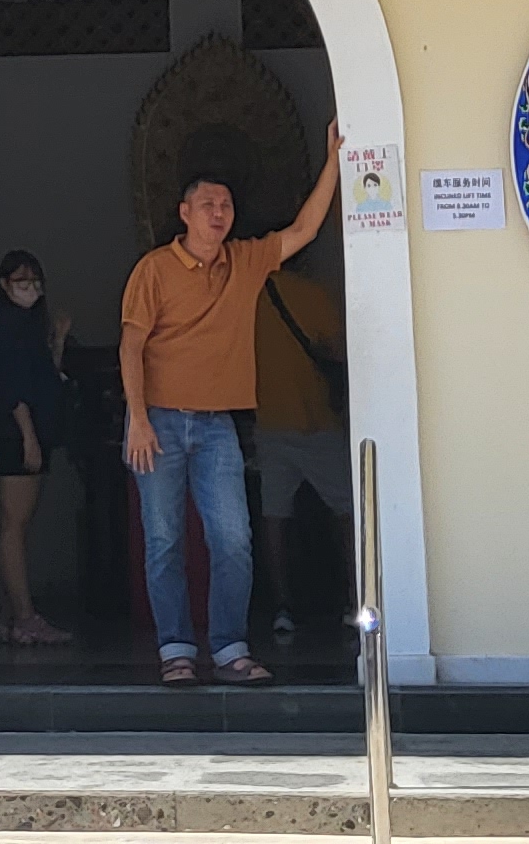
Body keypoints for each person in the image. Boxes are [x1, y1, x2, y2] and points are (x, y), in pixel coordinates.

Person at [116, 126, 341, 684]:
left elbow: (305, 229)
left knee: (234, 539)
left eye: (226, 206)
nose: (219, 214)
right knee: (164, 542)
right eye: (208, 205)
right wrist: (137, 420)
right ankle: (175, 652)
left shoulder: (245, 261)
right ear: (184, 213)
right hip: (159, 423)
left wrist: (334, 159)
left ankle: (229, 649)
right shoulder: (154, 269)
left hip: (218, 426)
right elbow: (131, 344)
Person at [249, 237, 351, 643]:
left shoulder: (248, 298)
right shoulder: (314, 295)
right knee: (346, 512)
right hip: (317, 421)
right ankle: (356, 599)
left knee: (274, 516)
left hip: (269, 420)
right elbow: (338, 351)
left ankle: (282, 606)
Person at [0, 249, 76, 645]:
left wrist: (59, 339)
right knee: (14, 524)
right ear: (5, 285)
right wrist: (29, 438)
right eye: (21, 281)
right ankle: (24, 618)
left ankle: (10, 616)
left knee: (12, 524)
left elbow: (44, 376)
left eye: (35, 282)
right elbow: (13, 388)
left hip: (23, 434)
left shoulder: (26, 325)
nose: (30, 289)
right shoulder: (7, 325)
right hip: (15, 436)